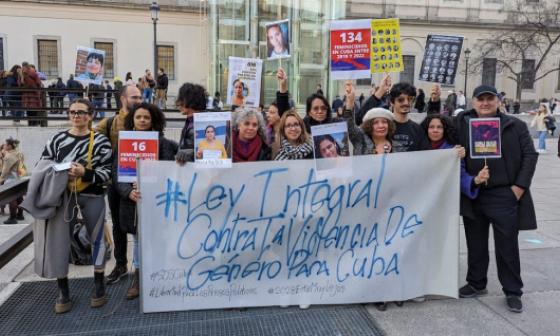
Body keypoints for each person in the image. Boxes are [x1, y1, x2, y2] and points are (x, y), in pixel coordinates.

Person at [455, 85, 538, 313]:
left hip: (504, 194)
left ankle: (513, 291)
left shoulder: (515, 125)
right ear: (473, 102)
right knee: (476, 243)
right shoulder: (462, 122)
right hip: (474, 192)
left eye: (489, 99)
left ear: (498, 101)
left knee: (507, 246)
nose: (485, 103)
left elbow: (530, 155)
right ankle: (476, 282)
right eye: (480, 99)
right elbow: (437, 130)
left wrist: (519, 188)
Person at [38, 98, 112, 313]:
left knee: (98, 239)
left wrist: (85, 173)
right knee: (60, 242)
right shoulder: (57, 139)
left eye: (81, 112)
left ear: (90, 116)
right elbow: (43, 165)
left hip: (93, 195)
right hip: (64, 198)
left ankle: (99, 283)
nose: (76, 116)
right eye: (72, 112)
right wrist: (60, 171)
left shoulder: (100, 141)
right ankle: (63, 289)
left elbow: (108, 172)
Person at [116, 103, 177, 300]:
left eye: (147, 117)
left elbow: (177, 168)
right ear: (132, 119)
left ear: (154, 120)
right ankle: (139, 279)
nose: (142, 120)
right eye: (138, 117)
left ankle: (162, 277)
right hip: (135, 202)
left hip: (159, 201)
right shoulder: (123, 143)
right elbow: (114, 174)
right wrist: (127, 192)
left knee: (163, 240)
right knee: (139, 242)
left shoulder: (167, 144)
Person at [95, 85, 143, 285]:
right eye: (134, 97)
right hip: (117, 183)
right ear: (123, 98)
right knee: (118, 225)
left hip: (143, 181)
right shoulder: (109, 123)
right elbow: (91, 142)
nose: (139, 100)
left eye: (140, 97)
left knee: (144, 225)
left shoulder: (144, 118)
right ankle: (121, 264)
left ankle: (143, 268)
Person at [175, 83, 208, 165]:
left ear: (190, 100)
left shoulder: (200, 124)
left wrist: (184, 155)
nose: (179, 102)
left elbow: (204, 150)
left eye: (181, 98)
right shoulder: (190, 121)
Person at [0, 138, 26, 224]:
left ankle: (12, 218)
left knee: (12, 198)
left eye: (6, 144)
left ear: (10, 146)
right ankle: (20, 215)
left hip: (11, 178)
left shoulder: (9, 156)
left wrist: (1, 179)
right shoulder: (18, 153)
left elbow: (5, 170)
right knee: (19, 197)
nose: (4, 146)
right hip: (18, 177)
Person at [21, 62, 43, 126]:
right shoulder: (33, 73)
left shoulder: (21, 73)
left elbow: (19, 84)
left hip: (26, 96)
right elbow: (39, 83)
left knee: (29, 111)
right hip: (34, 95)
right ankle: (35, 123)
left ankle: (30, 123)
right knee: (34, 110)